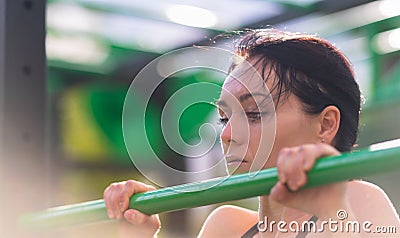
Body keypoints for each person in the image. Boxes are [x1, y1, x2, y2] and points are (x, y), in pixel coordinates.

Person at [103, 29, 400, 237]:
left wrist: (334, 213)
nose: (227, 134)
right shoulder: (226, 225)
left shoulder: (360, 200)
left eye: (254, 113)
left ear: (325, 125)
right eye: (223, 118)